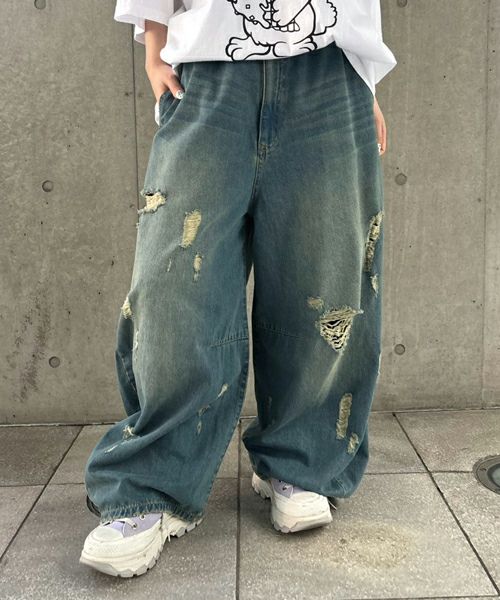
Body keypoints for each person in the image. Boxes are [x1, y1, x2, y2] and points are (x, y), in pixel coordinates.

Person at [80, 0, 397, 578]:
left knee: (325, 280)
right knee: (173, 287)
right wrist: (154, 45)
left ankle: (300, 461)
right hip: (209, 70)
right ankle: (151, 483)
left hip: (330, 71)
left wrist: (361, 78)